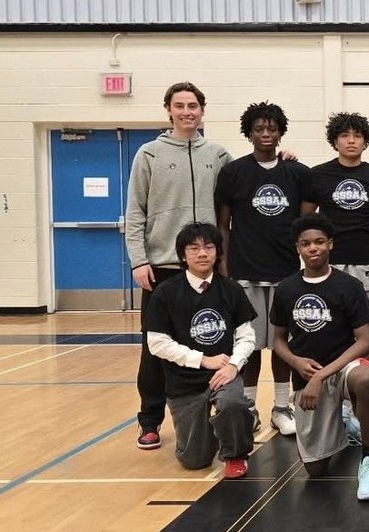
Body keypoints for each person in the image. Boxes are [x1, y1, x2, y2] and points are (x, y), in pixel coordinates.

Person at [126, 82, 233, 450]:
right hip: (163, 267)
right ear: (168, 110)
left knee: (211, 337)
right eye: (179, 105)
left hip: (206, 267)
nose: (187, 111)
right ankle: (150, 420)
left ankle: (216, 410)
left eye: (193, 105)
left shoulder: (218, 155)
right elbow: (135, 211)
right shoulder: (149, 154)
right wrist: (139, 259)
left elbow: (239, 197)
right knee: (155, 348)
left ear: (203, 110)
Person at [270, 214, 369, 499]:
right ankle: (343, 424)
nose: (314, 248)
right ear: (297, 248)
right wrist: (297, 363)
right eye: (306, 243)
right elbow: (277, 341)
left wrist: (322, 375)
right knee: (316, 470)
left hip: (343, 367)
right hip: (307, 375)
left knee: (366, 378)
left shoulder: (349, 286)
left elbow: (365, 340)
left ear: (330, 244)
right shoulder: (286, 289)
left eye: (320, 242)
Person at [215, 101, 310, 436]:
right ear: (249, 133)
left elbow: (306, 223)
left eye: (272, 128)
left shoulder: (296, 172)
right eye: (259, 128)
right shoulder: (234, 172)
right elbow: (223, 225)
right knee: (251, 346)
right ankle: (250, 407)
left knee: (282, 344)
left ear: (280, 131)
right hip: (245, 271)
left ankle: (281, 406)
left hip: (285, 272)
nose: (266, 134)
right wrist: (223, 266)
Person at [144, 223, 255, 478]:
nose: (202, 253)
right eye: (194, 248)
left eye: (208, 247)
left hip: (223, 375)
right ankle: (209, 435)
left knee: (233, 403)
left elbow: (247, 337)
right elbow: (157, 343)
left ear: (218, 252)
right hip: (184, 380)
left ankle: (236, 454)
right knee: (194, 460)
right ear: (183, 255)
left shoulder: (231, 289)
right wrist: (203, 360)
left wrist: (233, 365)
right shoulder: (165, 292)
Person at [305, 112, 369, 433]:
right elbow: (306, 218)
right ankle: (336, 407)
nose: (351, 140)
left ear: (366, 140)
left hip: (368, 262)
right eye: (345, 135)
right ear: (335, 140)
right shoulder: (319, 175)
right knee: (330, 335)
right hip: (330, 267)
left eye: (357, 135)